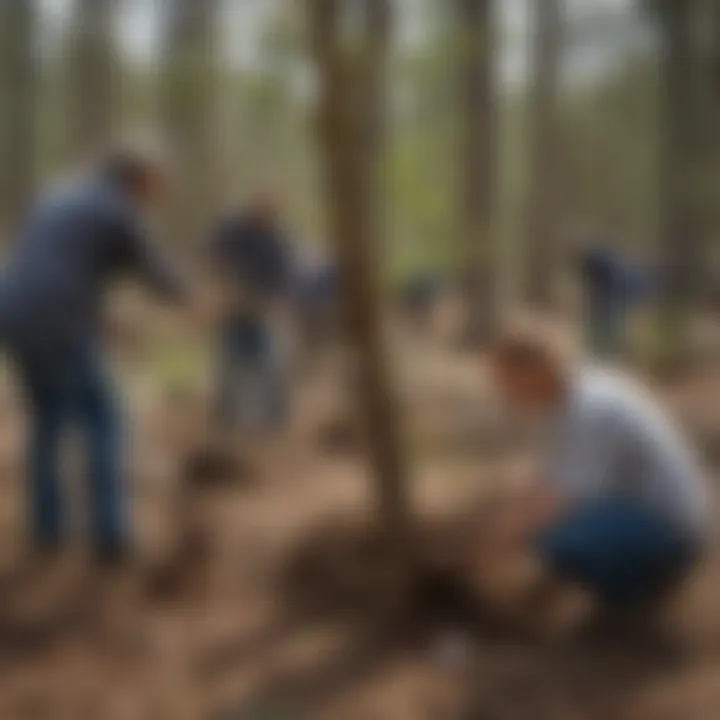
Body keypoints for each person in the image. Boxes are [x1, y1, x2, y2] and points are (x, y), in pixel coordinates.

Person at [0, 145, 187, 565]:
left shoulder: (60, 196)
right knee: (105, 420)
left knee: (48, 421)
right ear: (138, 179)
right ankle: (111, 535)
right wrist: (190, 297)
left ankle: (47, 530)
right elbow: (152, 268)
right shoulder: (117, 207)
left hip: (12, 313)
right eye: (156, 186)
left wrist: (98, 316)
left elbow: (55, 263)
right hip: (57, 318)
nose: (156, 196)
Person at [480, 330, 710, 627]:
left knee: (559, 537)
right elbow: (544, 480)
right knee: (544, 529)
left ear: (533, 370)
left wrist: (497, 547)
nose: (503, 392)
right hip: (646, 514)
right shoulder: (565, 403)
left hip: (670, 528)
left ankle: (635, 601)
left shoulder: (591, 410)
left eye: (506, 380)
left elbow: (562, 498)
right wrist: (499, 533)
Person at [207, 191, 292, 432]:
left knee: (270, 363)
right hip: (231, 308)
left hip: (259, 309)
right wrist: (225, 293)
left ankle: (274, 419)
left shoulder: (277, 240)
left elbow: (281, 278)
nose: (268, 217)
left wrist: (266, 304)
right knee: (230, 363)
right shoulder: (231, 230)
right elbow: (216, 260)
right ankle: (227, 418)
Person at [577, 243, 655, 359]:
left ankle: (605, 349)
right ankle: (603, 349)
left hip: (618, 292)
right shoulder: (602, 263)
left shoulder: (603, 266)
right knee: (607, 319)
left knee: (609, 319)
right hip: (616, 292)